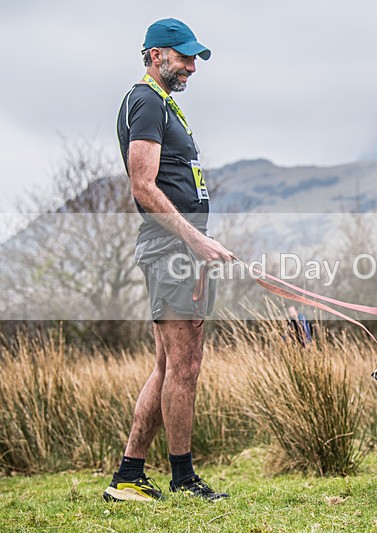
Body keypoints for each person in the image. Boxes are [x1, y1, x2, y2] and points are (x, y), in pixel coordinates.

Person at [104, 18, 235, 502]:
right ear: (156, 54)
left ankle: (129, 475)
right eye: (184, 58)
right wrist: (194, 240)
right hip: (172, 250)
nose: (192, 67)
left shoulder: (161, 103)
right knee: (186, 366)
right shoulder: (145, 101)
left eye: (194, 59)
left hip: (179, 247)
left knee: (167, 366)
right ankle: (183, 478)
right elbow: (142, 185)